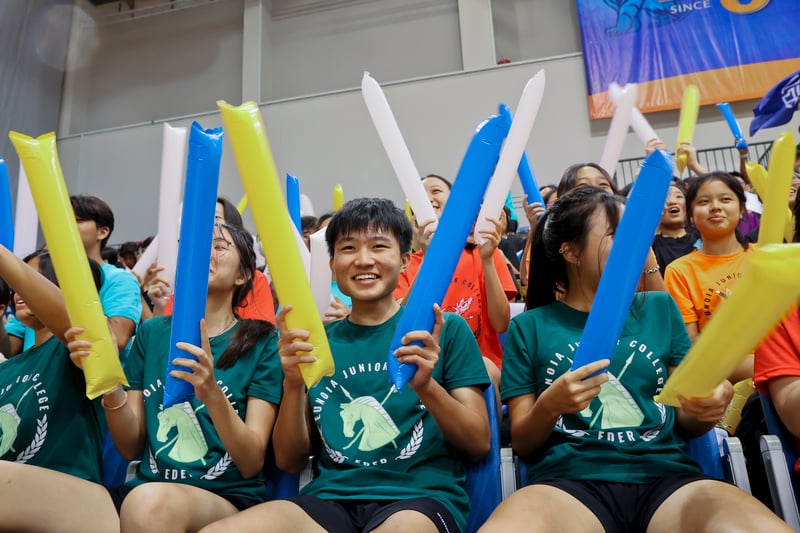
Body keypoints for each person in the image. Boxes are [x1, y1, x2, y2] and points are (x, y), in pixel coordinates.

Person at [480, 186, 789, 532]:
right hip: (568, 485)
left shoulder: (660, 309)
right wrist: (551, 405)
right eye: (617, 235)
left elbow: (686, 418)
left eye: (636, 233)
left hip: (668, 477)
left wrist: (706, 406)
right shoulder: (530, 327)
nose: (635, 244)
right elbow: (522, 441)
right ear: (570, 251)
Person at [201, 198, 491, 533]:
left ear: (405, 261)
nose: (363, 259)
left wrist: (426, 387)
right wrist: (293, 385)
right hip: (328, 501)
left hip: (418, 499)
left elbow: (478, 442)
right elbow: (290, 461)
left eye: (379, 246)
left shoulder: (443, 330)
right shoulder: (316, 342)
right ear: (333, 263)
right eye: (349, 248)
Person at [0, 246, 116, 532]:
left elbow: (82, 326)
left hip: (76, 499)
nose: (17, 289)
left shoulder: (79, 346)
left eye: (31, 277)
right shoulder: (7, 368)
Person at [396, 174, 517, 375]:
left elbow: (501, 324)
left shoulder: (485, 252)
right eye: (419, 195)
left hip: (482, 368)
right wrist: (429, 258)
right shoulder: (404, 264)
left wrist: (487, 259)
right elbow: (402, 325)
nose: (428, 198)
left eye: (435, 191)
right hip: (423, 370)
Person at [6, 195, 142, 356]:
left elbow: (115, 339)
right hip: (35, 375)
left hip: (81, 376)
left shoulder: (119, 279)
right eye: (62, 219)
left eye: (77, 220)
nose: (65, 225)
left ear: (103, 232)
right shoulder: (41, 273)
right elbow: (9, 346)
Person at [664, 172, 753, 382]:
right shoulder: (680, 271)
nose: (715, 207)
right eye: (704, 201)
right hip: (727, 383)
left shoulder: (766, 255)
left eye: (725, 199)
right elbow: (692, 348)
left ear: (741, 209)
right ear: (691, 216)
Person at [150, 197, 276, 323]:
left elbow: (259, 335)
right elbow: (165, 333)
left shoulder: (255, 281)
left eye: (216, 218)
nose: (207, 225)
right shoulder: (184, 280)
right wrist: (161, 307)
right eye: (201, 219)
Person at [652, 179, 698, 276]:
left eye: (679, 196)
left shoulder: (704, 237)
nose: (672, 201)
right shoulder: (651, 247)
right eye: (664, 198)